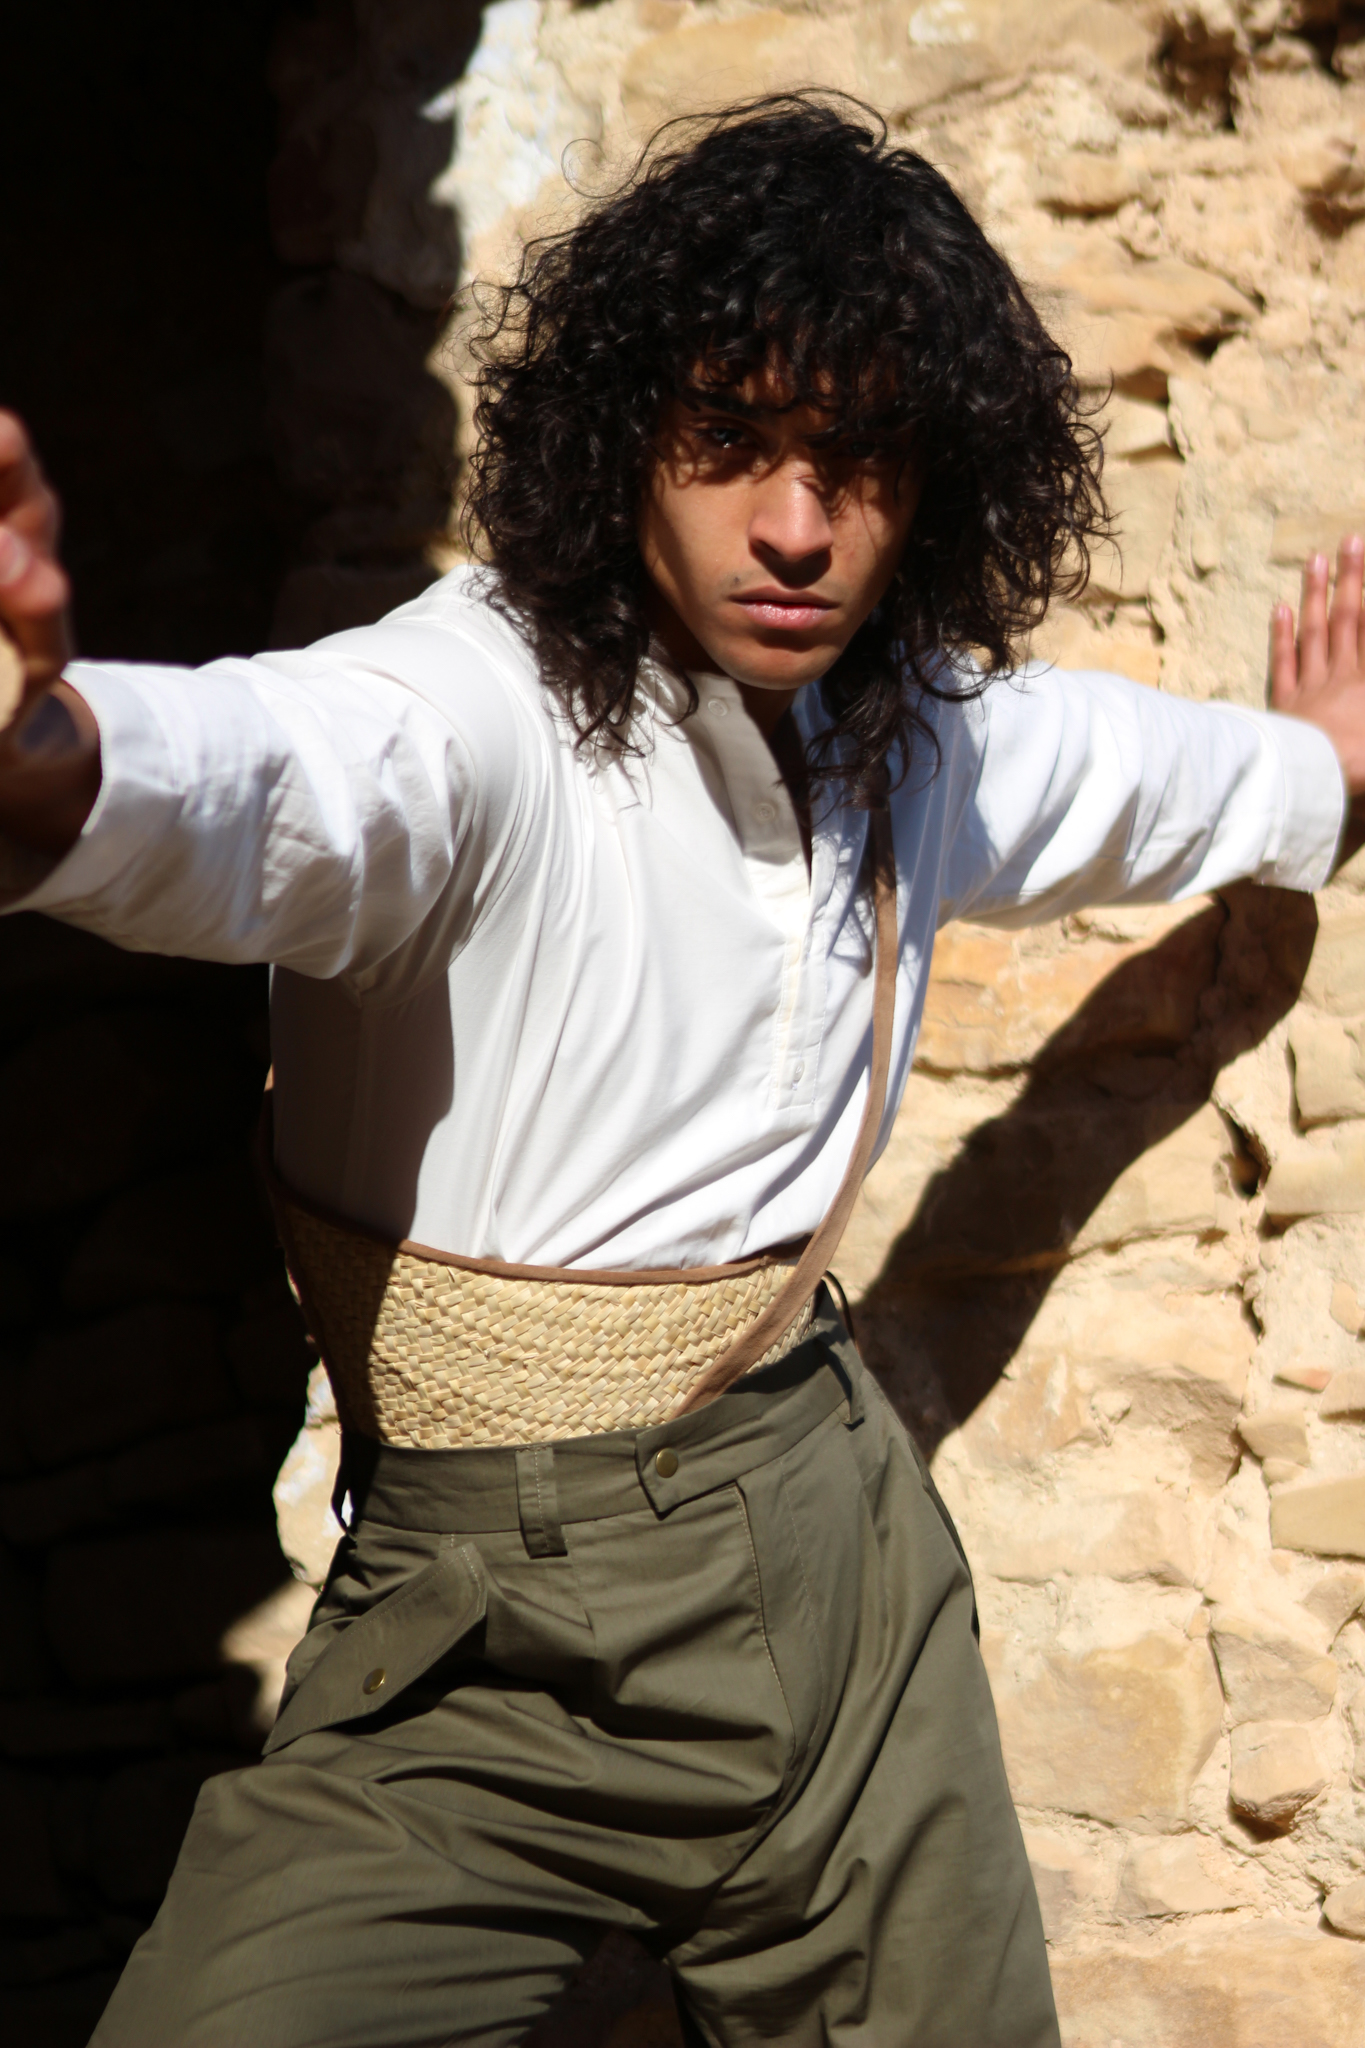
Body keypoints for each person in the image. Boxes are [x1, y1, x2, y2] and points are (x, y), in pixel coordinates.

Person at [0, 93, 1360, 2048]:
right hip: (468, 1650)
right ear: (623, 431)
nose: (795, 526)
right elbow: (261, 779)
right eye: (731, 438)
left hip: (836, 1590)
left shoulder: (925, 734)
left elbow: (1145, 783)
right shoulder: (465, 709)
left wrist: (1320, 770)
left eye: (857, 459)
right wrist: (39, 755)